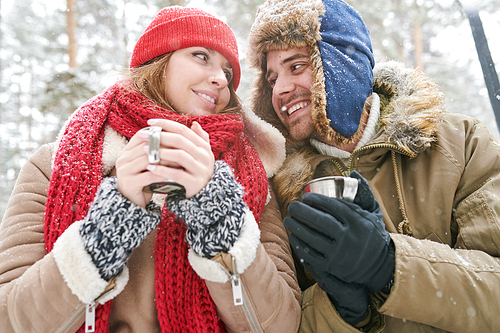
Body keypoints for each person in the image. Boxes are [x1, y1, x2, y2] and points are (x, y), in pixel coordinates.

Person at [0, 6, 302, 333]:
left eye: (228, 73)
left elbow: (281, 324)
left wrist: (217, 212)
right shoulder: (54, 165)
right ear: (156, 63)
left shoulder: (249, 180)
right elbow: (10, 320)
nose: (219, 78)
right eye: (201, 56)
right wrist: (110, 223)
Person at [246, 0, 500, 332]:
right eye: (272, 77)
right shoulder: (277, 189)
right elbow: (279, 320)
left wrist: (389, 264)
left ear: (341, 63)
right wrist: (340, 311)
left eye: (296, 67)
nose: (279, 89)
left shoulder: (459, 142)